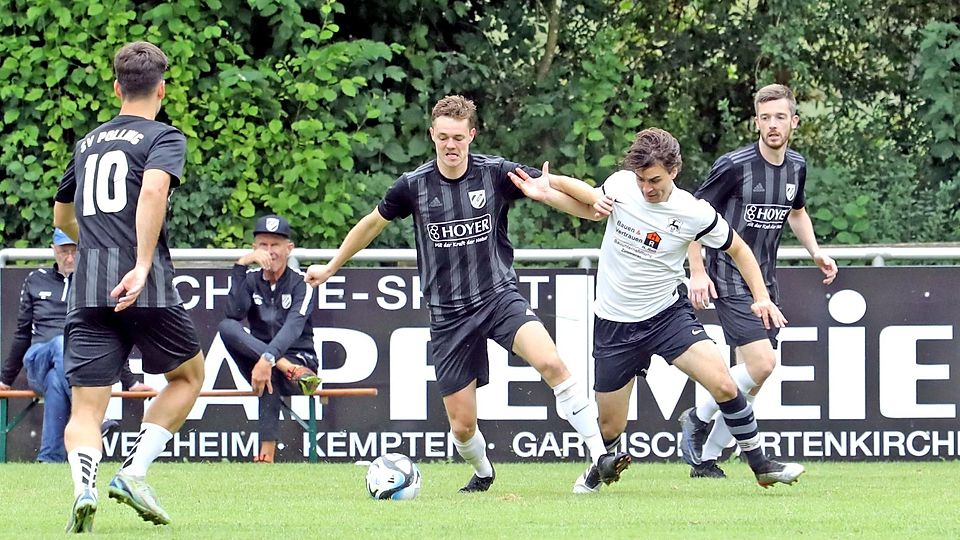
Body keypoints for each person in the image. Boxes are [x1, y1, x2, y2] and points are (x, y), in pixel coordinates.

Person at [304, 94, 630, 494]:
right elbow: (372, 224)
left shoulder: (495, 173)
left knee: (551, 362)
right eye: (443, 137)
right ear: (432, 135)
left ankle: (599, 458)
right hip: (448, 314)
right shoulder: (413, 185)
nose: (450, 145)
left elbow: (552, 185)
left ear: (471, 135)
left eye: (458, 137)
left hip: (498, 297)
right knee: (462, 427)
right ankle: (483, 471)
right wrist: (331, 266)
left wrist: (592, 203)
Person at [509, 127, 805, 490]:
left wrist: (761, 296)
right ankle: (597, 470)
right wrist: (548, 190)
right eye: (641, 179)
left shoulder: (694, 212)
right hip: (615, 324)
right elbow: (590, 207)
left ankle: (761, 465)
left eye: (655, 180)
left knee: (724, 384)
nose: (647, 188)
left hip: (667, 316)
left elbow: (739, 249)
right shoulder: (621, 186)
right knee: (610, 427)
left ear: (674, 171)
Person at [53, 41, 205, 533]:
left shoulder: (86, 144)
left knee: (86, 408)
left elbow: (62, 215)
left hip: (88, 286)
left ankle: (84, 488)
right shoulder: (163, 136)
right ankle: (133, 473)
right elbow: (154, 189)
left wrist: (94, 243)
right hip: (146, 283)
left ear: (117, 89)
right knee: (188, 377)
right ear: (162, 89)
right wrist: (139, 264)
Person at [682, 84, 838, 479]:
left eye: (780, 117)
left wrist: (815, 252)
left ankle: (707, 459)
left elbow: (797, 212)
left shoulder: (797, 166)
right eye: (765, 118)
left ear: (794, 122)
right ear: (756, 122)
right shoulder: (734, 166)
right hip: (728, 275)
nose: (773, 125)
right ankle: (697, 417)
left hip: (765, 282)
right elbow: (691, 215)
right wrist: (697, 270)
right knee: (763, 363)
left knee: (752, 380)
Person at [0, 229, 152, 463]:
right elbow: (22, 333)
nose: (70, 258)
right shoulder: (35, 279)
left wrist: (130, 382)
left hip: (68, 365)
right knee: (61, 342)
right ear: (53, 250)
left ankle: (50, 458)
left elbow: (107, 334)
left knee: (55, 380)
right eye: (64, 251)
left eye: (74, 251)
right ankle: (95, 421)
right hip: (38, 358)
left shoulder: (91, 282)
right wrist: (5, 379)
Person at [218, 214, 321, 463]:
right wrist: (241, 266)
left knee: (269, 370)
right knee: (226, 327)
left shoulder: (302, 282)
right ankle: (280, 365)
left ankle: (266, 455)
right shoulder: (251, 279)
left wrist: (268, 358)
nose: (269, 251)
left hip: (301, 364)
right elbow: (234, 313)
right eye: (263, 245)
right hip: (274, 368)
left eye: (275, 245)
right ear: (254, 248)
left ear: (289, 249)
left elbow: (293, 327)